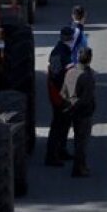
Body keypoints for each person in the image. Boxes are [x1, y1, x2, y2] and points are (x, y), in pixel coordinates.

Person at [61, 47, 98, 177]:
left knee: (77, 138)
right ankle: (79, 168)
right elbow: (87, 97)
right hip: (83, 112)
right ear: (90, 59)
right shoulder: (88, 76)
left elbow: (63, 92)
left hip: (70, 109)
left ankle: (80, 166)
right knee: (82, 141)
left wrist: (70, 103)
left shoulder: (70, 72)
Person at [45, 26, 76, 166]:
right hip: (60, 95)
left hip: (64, 94)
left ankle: (61, 150)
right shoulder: (59, 53)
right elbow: (56, 75)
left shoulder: (64, 50)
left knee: (65, 123)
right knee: (58, 125)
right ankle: (52, 155)